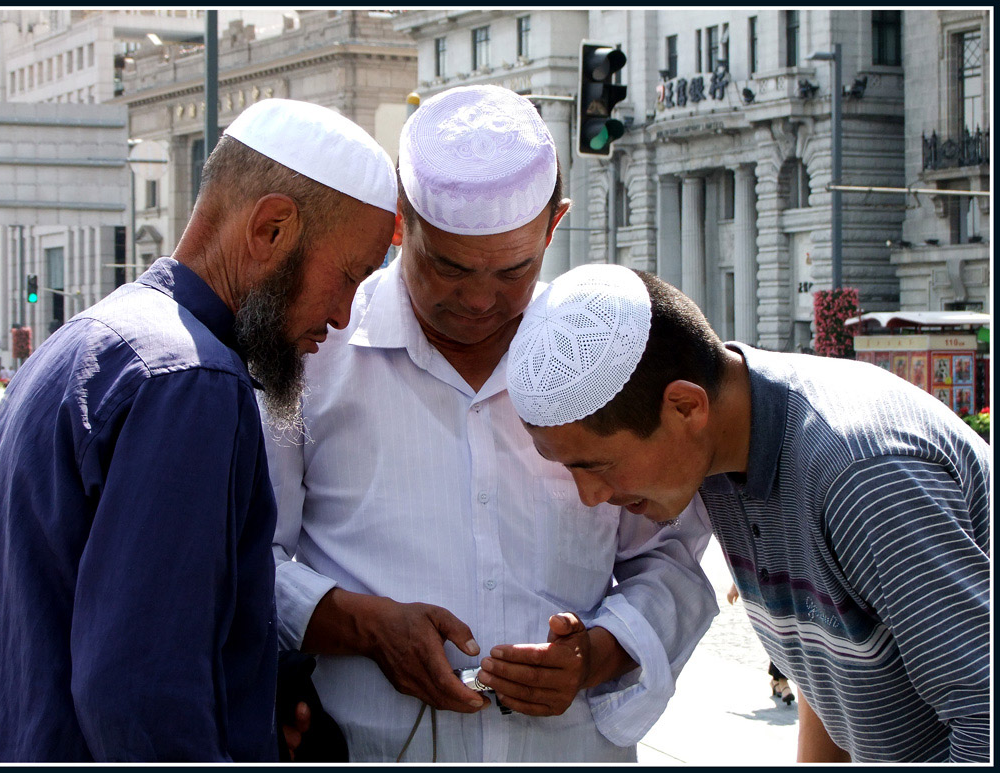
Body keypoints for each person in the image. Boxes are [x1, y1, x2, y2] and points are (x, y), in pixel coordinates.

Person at [264, 85, 718, 762]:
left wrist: (596, 652)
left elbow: (669, 558)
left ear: (554, 226)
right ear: (400, 223)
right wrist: (360, 624)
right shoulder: (312, 351)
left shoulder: (606, 358)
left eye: (513, 269)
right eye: (447, 267)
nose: (479, 299)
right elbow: (247, 555)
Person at [0, 98, 398, 762]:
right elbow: (141, 692)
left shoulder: (81, 345)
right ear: (271, 228)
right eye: (347, 275)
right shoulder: (190, 381)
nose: (344, 315)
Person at [505, 264, 991, 763]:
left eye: (598, 466)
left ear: (685, 408)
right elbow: (828, 667)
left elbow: (986, 718)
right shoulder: (725, 445)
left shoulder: (862, 476)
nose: (589, 496)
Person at [726, 584, 793, 705]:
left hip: (794, 584)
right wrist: (736, 584)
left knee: (782, 631)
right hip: (771, 583)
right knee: (781, 630)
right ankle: (782, 680)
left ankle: (777, 681)